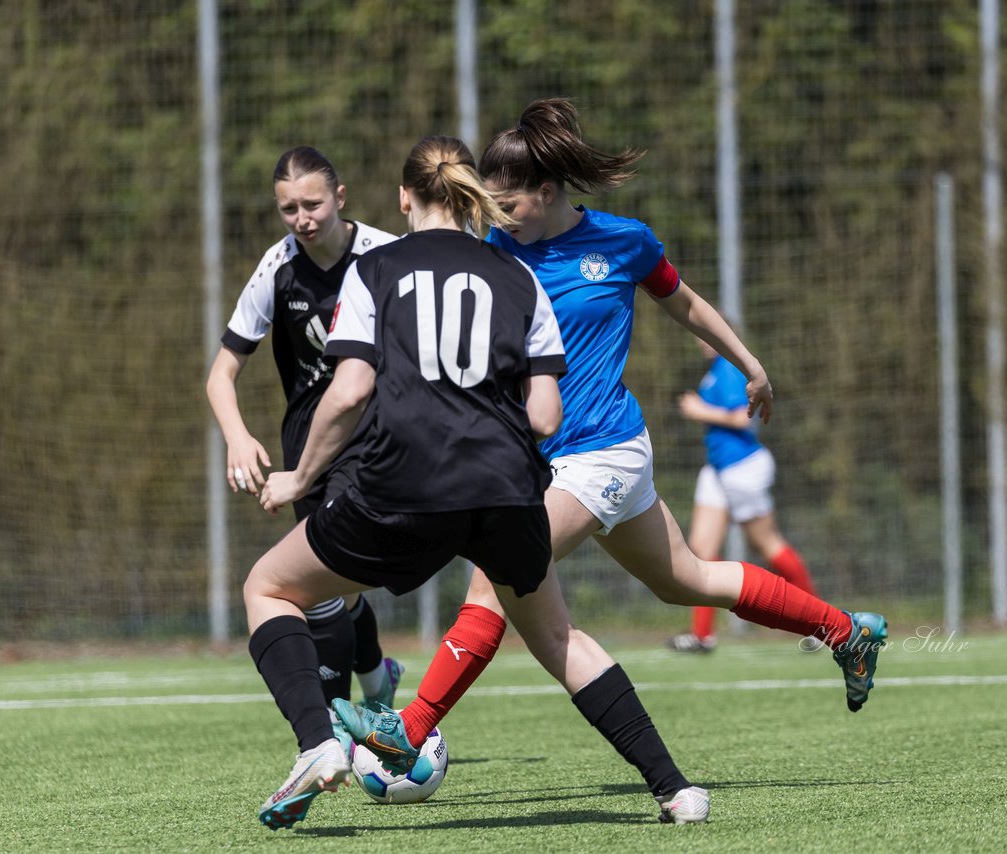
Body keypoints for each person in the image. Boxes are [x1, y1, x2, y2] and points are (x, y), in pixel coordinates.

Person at [337, 99, 886, 783]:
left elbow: (684, 302)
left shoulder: (623, 243)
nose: (499, 216)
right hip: (542, 466)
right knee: (685, 579)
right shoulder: (493, 254)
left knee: (490, 585)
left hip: (605, 451)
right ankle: (845, 632)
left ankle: (408, 730)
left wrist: (750, 365)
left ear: (547, 191)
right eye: (491, 204)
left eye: (509, 202)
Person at [247, 135, 707, 830]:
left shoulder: (374, 272)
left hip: (398, 492)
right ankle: (676, 791)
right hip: (503, 491)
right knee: (557, 638)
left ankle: (318, 743)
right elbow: (547, 413)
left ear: (404, 198)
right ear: (469, 195)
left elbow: (347, 394)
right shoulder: (518, 275)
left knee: (270, 587)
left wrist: (299, 477)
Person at [205, 146, 404, 716]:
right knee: (337, 585)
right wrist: (238, 437)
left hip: (371, 442)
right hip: (305, 451)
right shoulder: (278, 267)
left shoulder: (387, 256)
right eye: (289, 209)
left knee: (321, 585)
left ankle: (334, 728)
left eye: (313, 204)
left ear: (340, 198)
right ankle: (376, 678)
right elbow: (221, 374)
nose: (303, 219)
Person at [667, 335, 821, 654]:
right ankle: (702, 635)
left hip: (742, 467)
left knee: (767, 544)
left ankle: (821, 625)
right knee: (701, 549)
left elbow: (742, 418)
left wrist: (700, 410)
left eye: (709, 334)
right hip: (717, 470)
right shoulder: (713, 371)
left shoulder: (728, 370)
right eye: (699, 335)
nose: (702, 341)